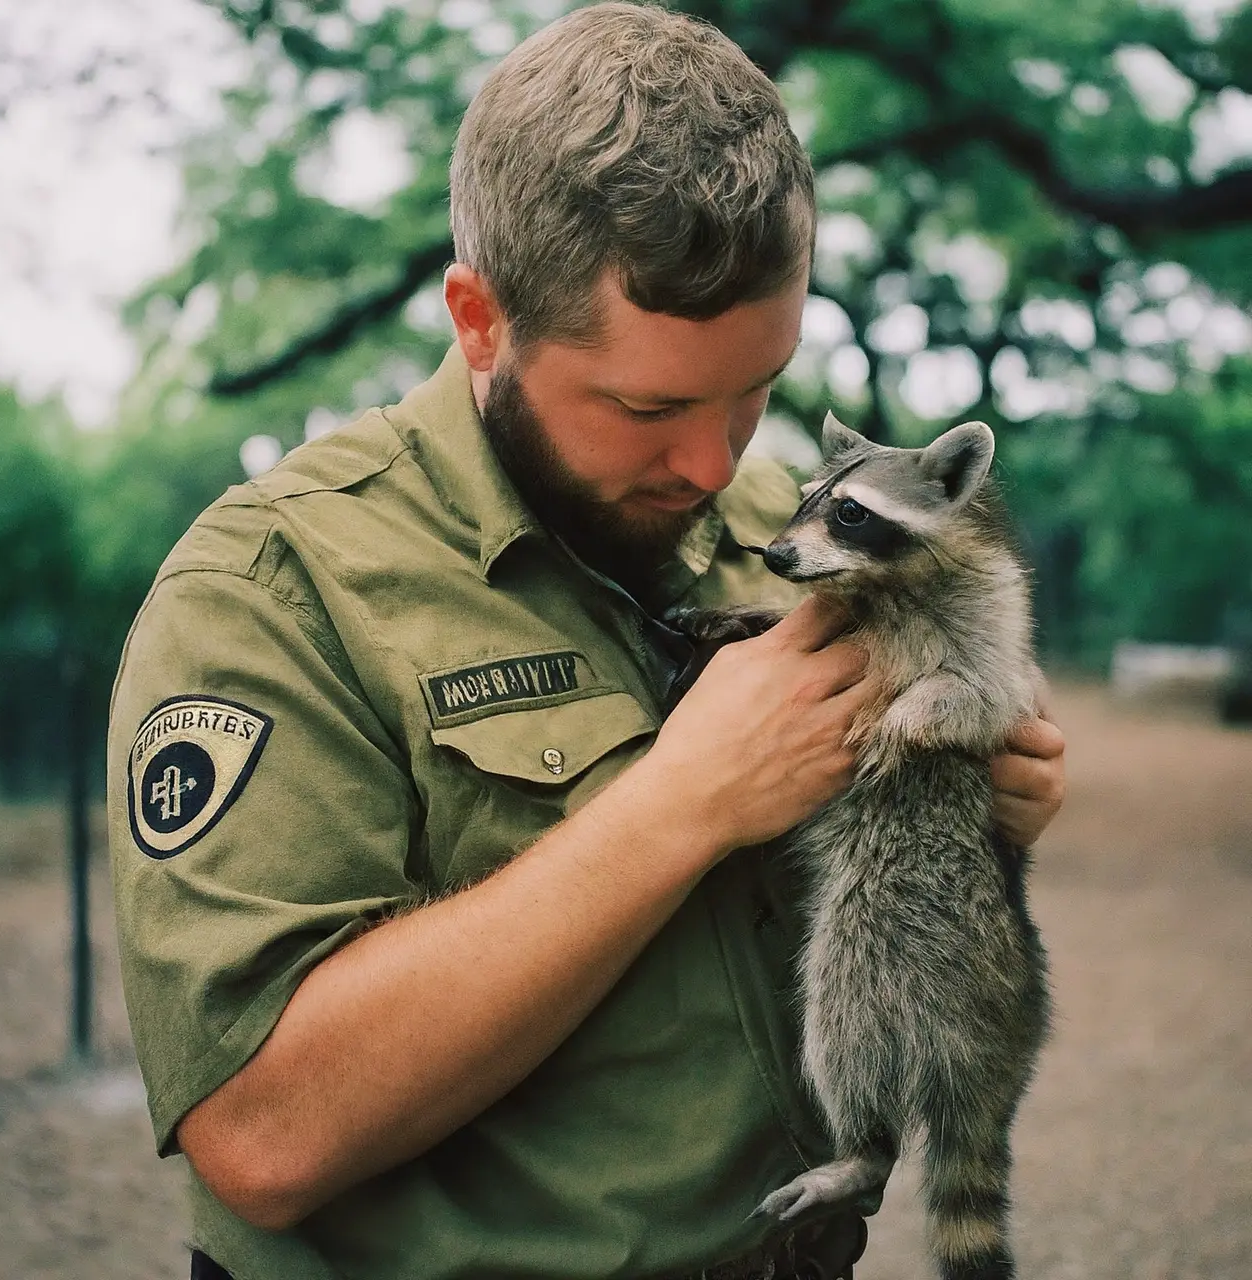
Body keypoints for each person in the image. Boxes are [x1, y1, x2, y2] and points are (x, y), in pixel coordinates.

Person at [106, 5, 1066, 1279]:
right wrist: (681, 801)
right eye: (647, 404)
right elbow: (264, 1132)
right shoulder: (276, 591)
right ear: (479, 320)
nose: (714, 461)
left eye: (756, 386)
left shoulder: (774, 529)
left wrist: (982, 793)